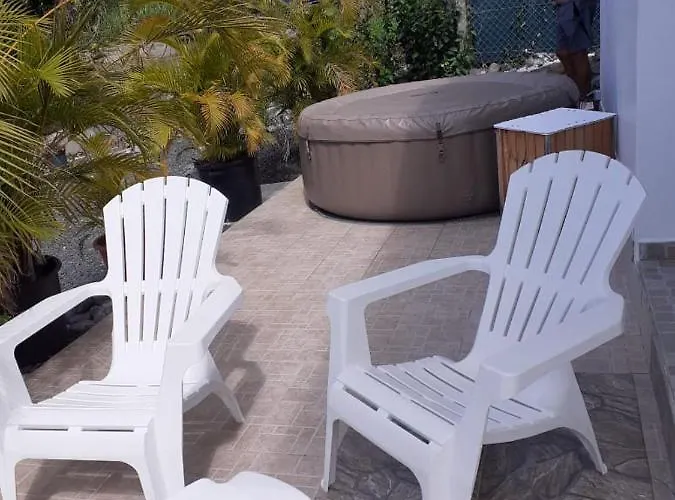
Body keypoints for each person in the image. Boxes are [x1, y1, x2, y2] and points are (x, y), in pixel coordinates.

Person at [554, 0, 598, 106]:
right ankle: (576, 94)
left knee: (578, 52)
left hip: (574, 6)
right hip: (564, 7)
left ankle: (585, 98)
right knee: (563, 52)